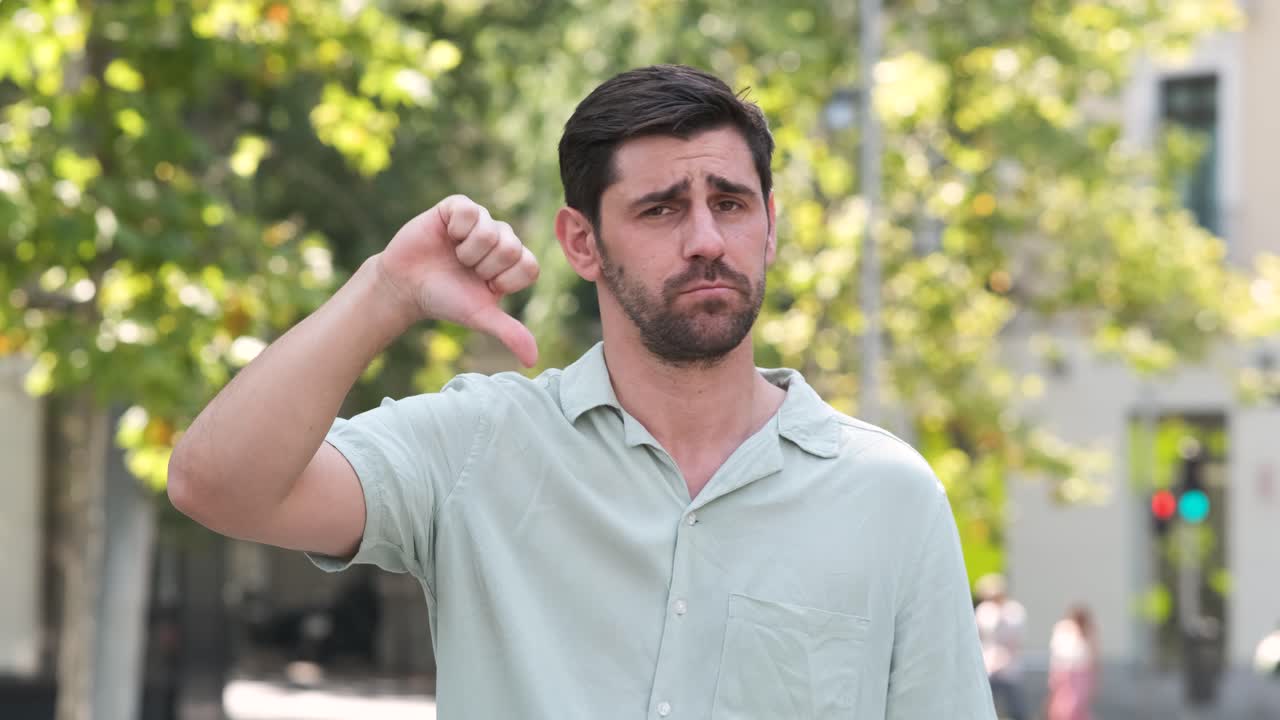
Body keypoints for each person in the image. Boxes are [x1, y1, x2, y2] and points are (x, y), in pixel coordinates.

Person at [168, 64, 995, 718]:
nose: (707, 239)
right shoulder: (477, 448)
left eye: (731, 203)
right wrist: (386, 290)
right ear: (582, 242)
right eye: (663, 210)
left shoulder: (889, 496)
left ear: (770, 225)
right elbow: (216, 485)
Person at [974, 574, 1028, 720]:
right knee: (985, 704)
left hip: (1009, 665)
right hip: (989, 665)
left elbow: (1016, 636)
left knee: (1016, 708)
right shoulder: (984, 611)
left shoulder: (1014, 610)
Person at [1044, 605, 1098, 720]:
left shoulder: (1087, 631)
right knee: (1063, 705)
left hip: (1081, 674)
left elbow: (1091, 655)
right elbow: (1059, 652)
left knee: (1077, 705)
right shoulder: (1065, 629)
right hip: (1065, 672)